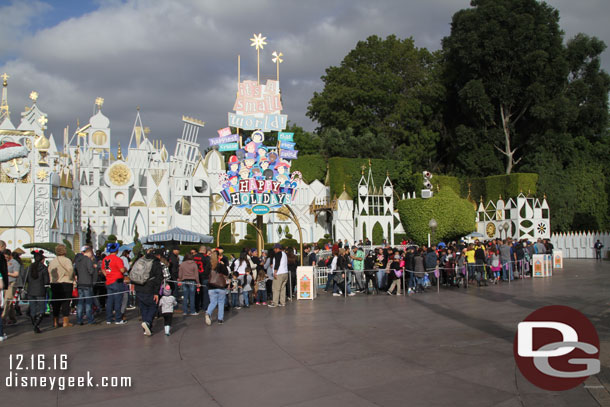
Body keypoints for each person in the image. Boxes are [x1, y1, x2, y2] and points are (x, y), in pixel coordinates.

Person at [134, 248, 164, 336]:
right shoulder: (156, 263)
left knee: (143, 307)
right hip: (149, 288)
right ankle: (147, 322)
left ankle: (146, 328)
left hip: (139, 287)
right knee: (153, 306)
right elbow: (159, 279)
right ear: (158, 255)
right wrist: (156, 292)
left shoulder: (141, 261)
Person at [48, 244, 75, 328]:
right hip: (66, 283)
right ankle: (65, 321)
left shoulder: (53, 261)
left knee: (56, 303)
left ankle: (55, 321)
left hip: (54, 283)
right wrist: (70, 278)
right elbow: (70, 270)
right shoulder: (66, 260)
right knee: (65, 302)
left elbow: (49, 271)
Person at [103, 243, 127, 325]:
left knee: (110, 301)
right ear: (116, 250)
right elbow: (122, 270)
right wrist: (126, 269)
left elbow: (103, 269)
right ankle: (118, 319)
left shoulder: (105, 259)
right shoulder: (118, 259)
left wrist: (107, 274)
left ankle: (108, 319)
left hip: (109, 281)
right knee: (118, 301)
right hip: (117, 281)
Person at [25, 250, 50, 333]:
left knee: (33, 309)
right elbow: (46, 281)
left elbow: (26, 279)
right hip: (40, 291)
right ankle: (36, 325)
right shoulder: (43, 268)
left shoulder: (29, 267)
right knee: (42, 309)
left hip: (31, 290)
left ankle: (34, 324)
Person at [74, 246, 97, 325]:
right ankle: (90, 319)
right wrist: (94, 268)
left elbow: (76, 271)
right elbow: (91, 271)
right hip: (87, 283)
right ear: (89, 252)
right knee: (88, 302)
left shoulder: (78, 260)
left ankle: (79, 319)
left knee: (80, 302)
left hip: (80, 283)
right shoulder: (88, 260)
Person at [205, 250, 229, 325]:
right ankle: (220, 319)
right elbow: (226, 273)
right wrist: (223, 265)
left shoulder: (209, 265)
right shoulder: (220, 265)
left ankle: (208, 313)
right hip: (220, 286)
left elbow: (205, 274)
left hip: (211, 286)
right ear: (219, 256)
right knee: (221, 302)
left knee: (213, 302)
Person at [2, 249, 20, 325]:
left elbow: (16, 274)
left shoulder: (14, 263)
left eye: (6, 257)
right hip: (3, 283)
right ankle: (13, 318)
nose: (5, 259)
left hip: (11, 283)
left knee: (7, 301)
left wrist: (7, 273)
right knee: (8, 303)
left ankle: (2, 319)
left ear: (10, 256)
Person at [193, 246, 211, 313]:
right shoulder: (206, 258)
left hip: (195, 276)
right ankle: (205, 306)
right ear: (205, 250)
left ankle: (197, 306)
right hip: (204, 276)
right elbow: (208, 267)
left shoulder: (194, 257)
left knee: (196, 292)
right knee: (205, 292)